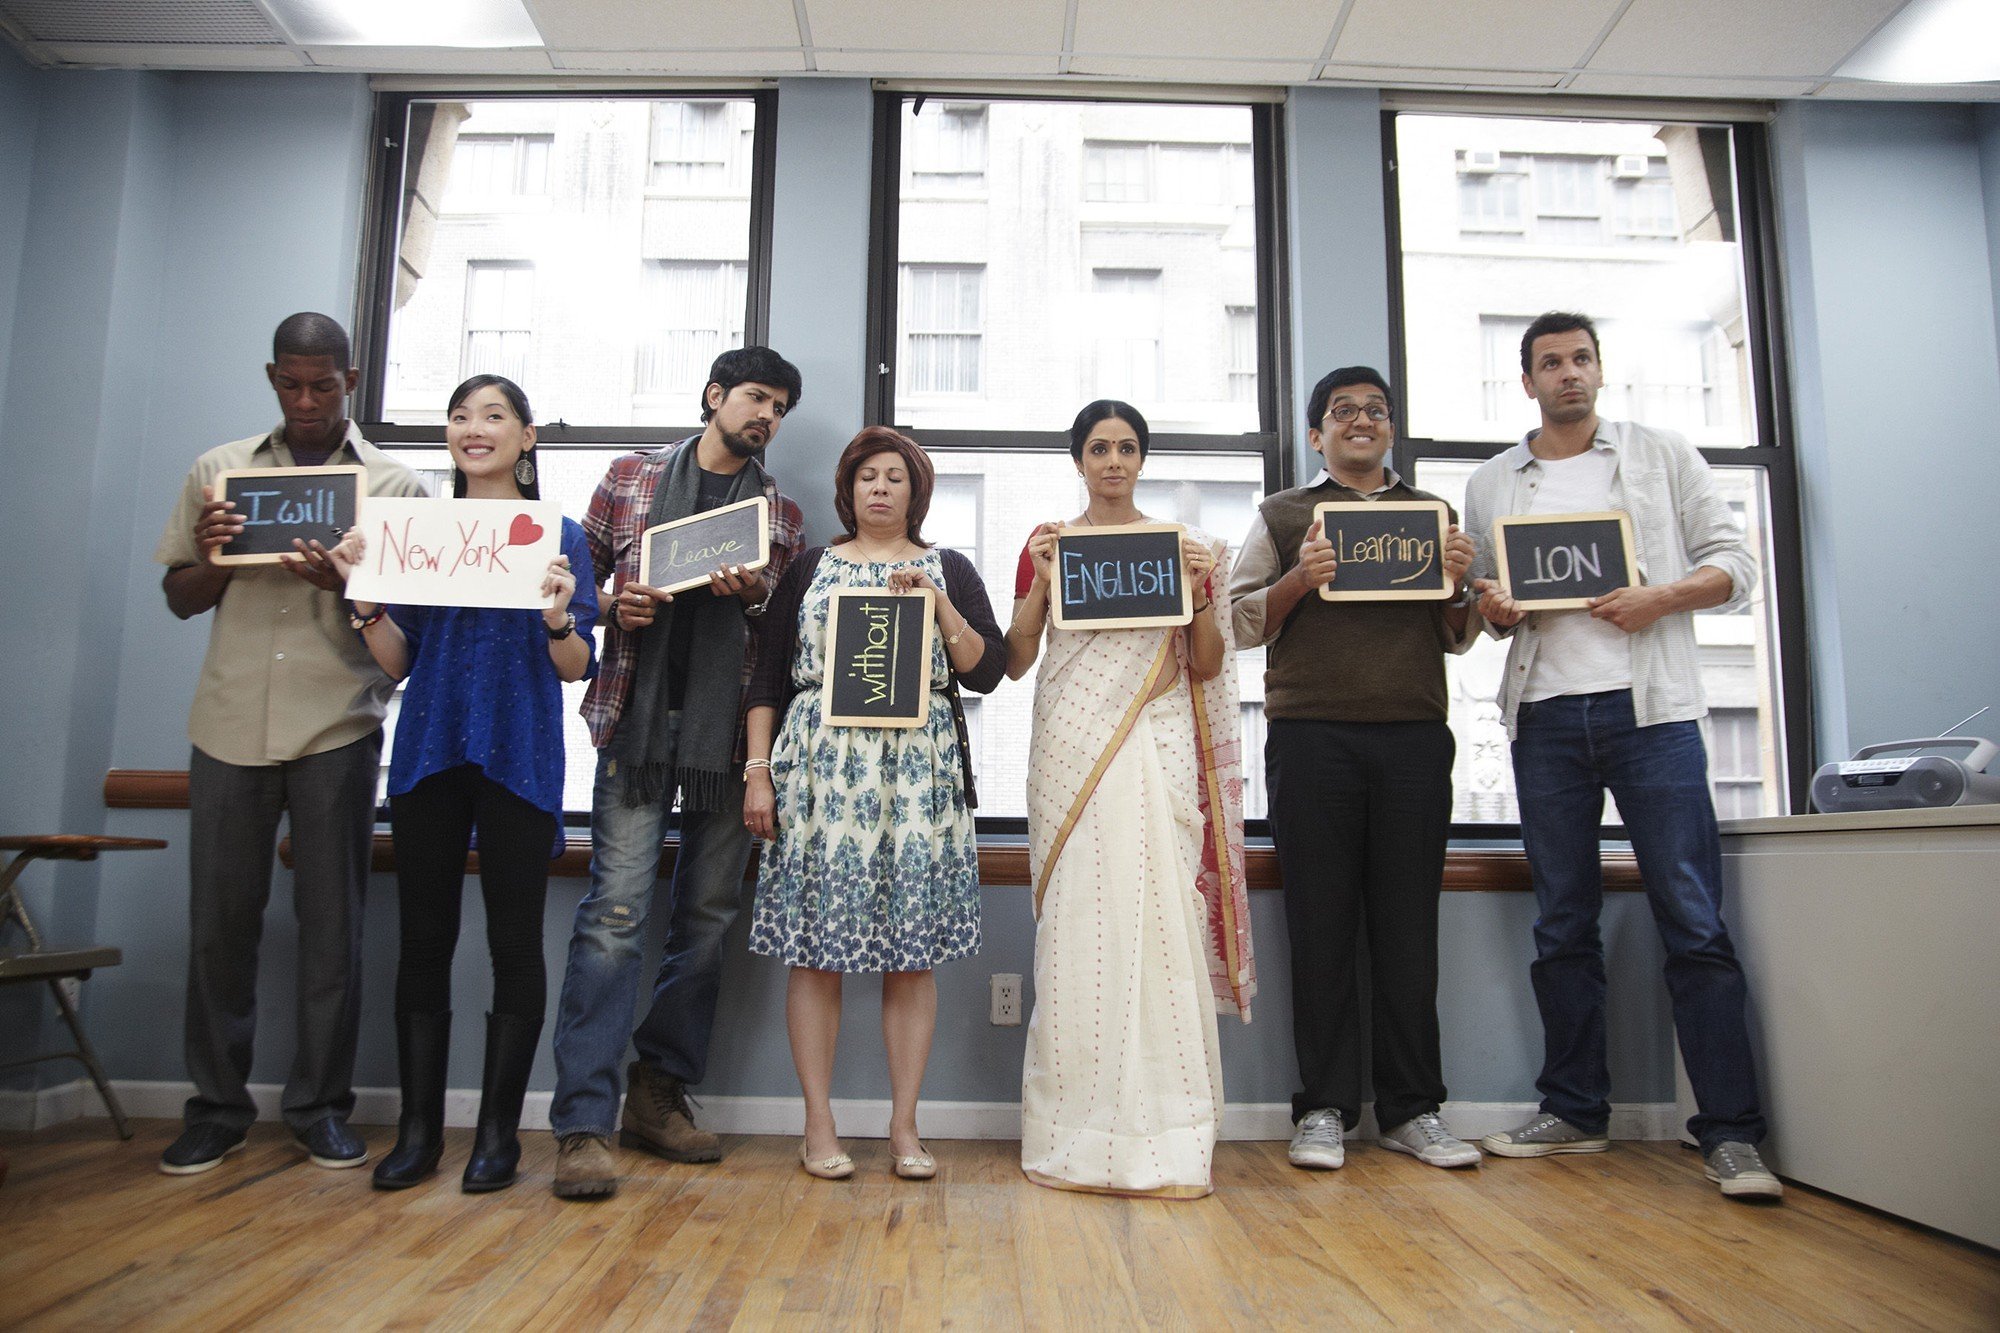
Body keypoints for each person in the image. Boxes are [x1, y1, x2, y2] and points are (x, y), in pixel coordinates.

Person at [1465, 312, 1781, 1200]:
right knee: (1562, 921)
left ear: (1599, 369)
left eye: (1581, 358)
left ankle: (1731, 1133)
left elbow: (1735, 565)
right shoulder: (1493, 482)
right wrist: (1495, 608)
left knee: (1694, 918)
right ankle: (1574, 1110)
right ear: (1525, 382)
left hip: (1656, 715)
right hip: (1546, 719)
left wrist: (1661, 596)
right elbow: (1487, 608)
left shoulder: (1660, 454)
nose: (1569, 373)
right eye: (1550, 363)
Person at [155, 312, 426, 1175]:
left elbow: (408, 637)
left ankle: (318, 1106)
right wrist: (213, 558)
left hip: (336, 723)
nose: (306, 400)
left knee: (331, 929)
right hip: (229, 723)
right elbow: (181, 596)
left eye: (324, 384)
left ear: (351, 380)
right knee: (218, 928)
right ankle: (216, 1108)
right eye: (291, 383)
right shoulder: (219, 471)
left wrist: (346, 582)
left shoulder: (396, 488)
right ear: (273, 377)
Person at [327, 375, 598, 1192]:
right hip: (430, 752)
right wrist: (366, 603)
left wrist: (555, 616)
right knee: (423, 939)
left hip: (518, 753)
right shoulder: (417, 532)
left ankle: (496, 1136)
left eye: (493, 417)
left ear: (527, 438)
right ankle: (416, 1133)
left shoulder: (561, 535)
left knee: (514, 941)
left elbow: (575, 665)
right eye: (459, 416)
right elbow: (401, 660)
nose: (473, 429)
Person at [547, 347, 805, 1200]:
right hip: (635, 722)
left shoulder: (782, 516)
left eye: (780, 407)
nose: (766, 415)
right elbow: (572, 586)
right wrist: (616, 598)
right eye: (756, 397)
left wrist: (752, 596)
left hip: (730, 742)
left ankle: (657, 1094)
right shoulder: (628, 478)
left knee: (704, 919)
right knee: (615, 915)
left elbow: (782, 639)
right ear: (715, 396)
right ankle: (584, 1121)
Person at [1229, 366, 1482, 1174]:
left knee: (1409, 929)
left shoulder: (1433, 516)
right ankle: (1325, 1107)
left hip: (1413, 736)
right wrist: (1302, 576)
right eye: (1344, 412)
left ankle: (1414, 1108)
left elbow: (1458, 635)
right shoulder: (1282, 515)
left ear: (1392, 428)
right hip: (1311, 739)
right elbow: (1236, 623)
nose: (1361, 421)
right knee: (1321, 926)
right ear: (1317, 434)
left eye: (1376, 410)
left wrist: (1462, 584)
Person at [1006, 400, 1255, 1200]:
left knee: (1158, 917)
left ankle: (1168, 1131)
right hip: (1072, 750)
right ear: (1078, 459)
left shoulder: (1186, 552)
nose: (1113, 460)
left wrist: (1202, 591)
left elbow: (1208, 665)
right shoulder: (1048, 546)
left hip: (1156, 740)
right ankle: (1071, 1133)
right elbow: (1015, 660)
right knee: (1082, 920)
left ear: (1142, 459)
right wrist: (1040, 586)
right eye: (1098, 447)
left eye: (1127, 447)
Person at [742, 427, 1005, 1182]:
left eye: (896, 477)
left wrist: (940, 606)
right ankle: (818, 1122)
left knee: (911, 955)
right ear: (848, 490)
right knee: (815, 953)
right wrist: (759, 772)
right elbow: (766, 677)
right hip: (820, 775)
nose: (881, 488)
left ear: (916, 492)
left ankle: (904, 1123)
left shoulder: (948, 566)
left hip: (919, 778)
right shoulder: (807, 567)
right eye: (868, 477)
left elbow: (988, 671)